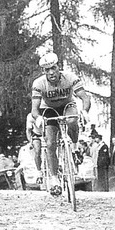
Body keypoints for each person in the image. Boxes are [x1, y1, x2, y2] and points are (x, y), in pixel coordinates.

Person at [31, 52, 91, 196]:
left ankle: (75, 148)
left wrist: (85, 111)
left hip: (67, 105)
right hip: (48, 109)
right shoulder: (39, 83)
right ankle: (54, 179)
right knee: (51, 143)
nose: (51, 72)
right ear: (43, 71)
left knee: (72, 120)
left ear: (59, 67)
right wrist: (38, 118)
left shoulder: (70, 77)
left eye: (53, 68)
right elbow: (34, 108)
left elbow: (84, 97)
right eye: (47, 70)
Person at [25, 112, 43, 183]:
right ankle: (39, 172)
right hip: (37, 135)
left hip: (48, 134)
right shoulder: (30, 116)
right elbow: (28, 130)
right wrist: (30, 142)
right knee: (37, 151)